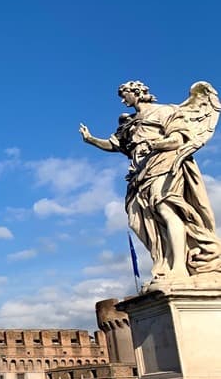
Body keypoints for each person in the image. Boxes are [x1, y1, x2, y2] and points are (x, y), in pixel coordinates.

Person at [80, 80, 221, 280]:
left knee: (166, 209)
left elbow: (179, 139)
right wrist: (91, 139)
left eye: (124, 94)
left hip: (164, 163)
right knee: (143, 220)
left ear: (137, 92)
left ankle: (179, 266)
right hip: (140, 172)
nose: (122, 100)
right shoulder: (130, 122)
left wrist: (155, 144)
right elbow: (116, 146)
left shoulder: (163, 111)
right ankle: (165, 261)